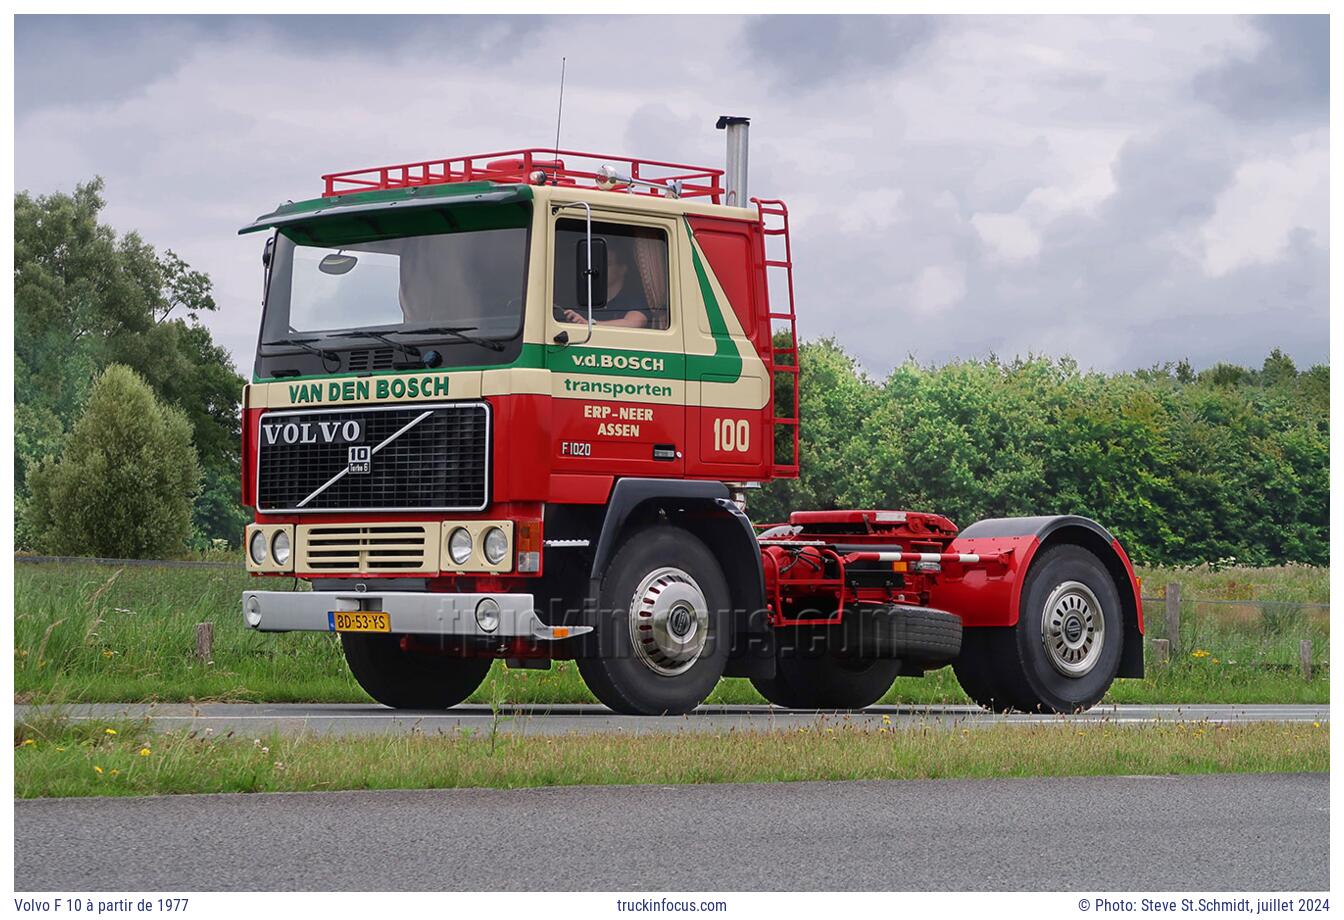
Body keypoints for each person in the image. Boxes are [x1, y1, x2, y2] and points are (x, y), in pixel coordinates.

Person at [563, 242, 650, 328]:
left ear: (622, 269)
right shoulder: (588, 298)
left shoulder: (634, 298)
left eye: (608, 264)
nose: (601, 268)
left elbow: (634, 322)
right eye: (600, 264)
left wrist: (589, 323)